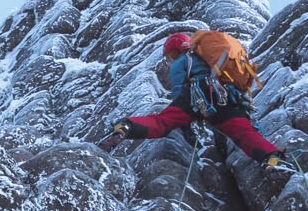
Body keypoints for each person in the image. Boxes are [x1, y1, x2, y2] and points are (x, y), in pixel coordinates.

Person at [112, 31, 285, 166]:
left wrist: (184, 121)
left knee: (163, 121)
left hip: (199, 92)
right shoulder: (210, 62)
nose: (172, 59)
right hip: (228, 97)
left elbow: (180, 90)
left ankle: (126, 126)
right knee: (243, 132)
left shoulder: (183, 60)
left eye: (172, 54)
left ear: (176, 50)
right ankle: (272, 159)